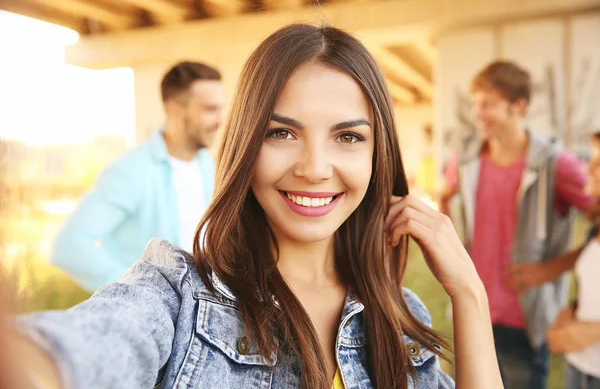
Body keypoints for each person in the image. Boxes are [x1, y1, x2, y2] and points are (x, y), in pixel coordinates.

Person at [11, 24, 503, 389]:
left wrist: (470, 294)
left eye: (348, 137)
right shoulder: (173, 298)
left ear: (378, 158)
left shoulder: (398, 317)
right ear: (246, 144)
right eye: (281, 132)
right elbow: (75, 354)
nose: (314, 168)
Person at [439, 60, 594, 389]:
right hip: (469, 310)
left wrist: (549, 271)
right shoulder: (465, 160)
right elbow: (445, 199)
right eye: (476, 103)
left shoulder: (557, 165)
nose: (478, 113)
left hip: (523, 320)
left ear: (518, 106)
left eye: (488, 104)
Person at [51, 61, 225, 291]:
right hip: (151, 319)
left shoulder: (211, 167)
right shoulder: (132, 171)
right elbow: (69, 246)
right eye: (210, 109)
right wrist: (135, 290)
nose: (220, 120)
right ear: (174, 108)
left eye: (221, 109)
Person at [544, 132, 600, 389]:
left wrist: (581, 333)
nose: (589, 167)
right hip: (578, 368)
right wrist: (570, 313)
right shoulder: (595, 227)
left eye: (599, 162)